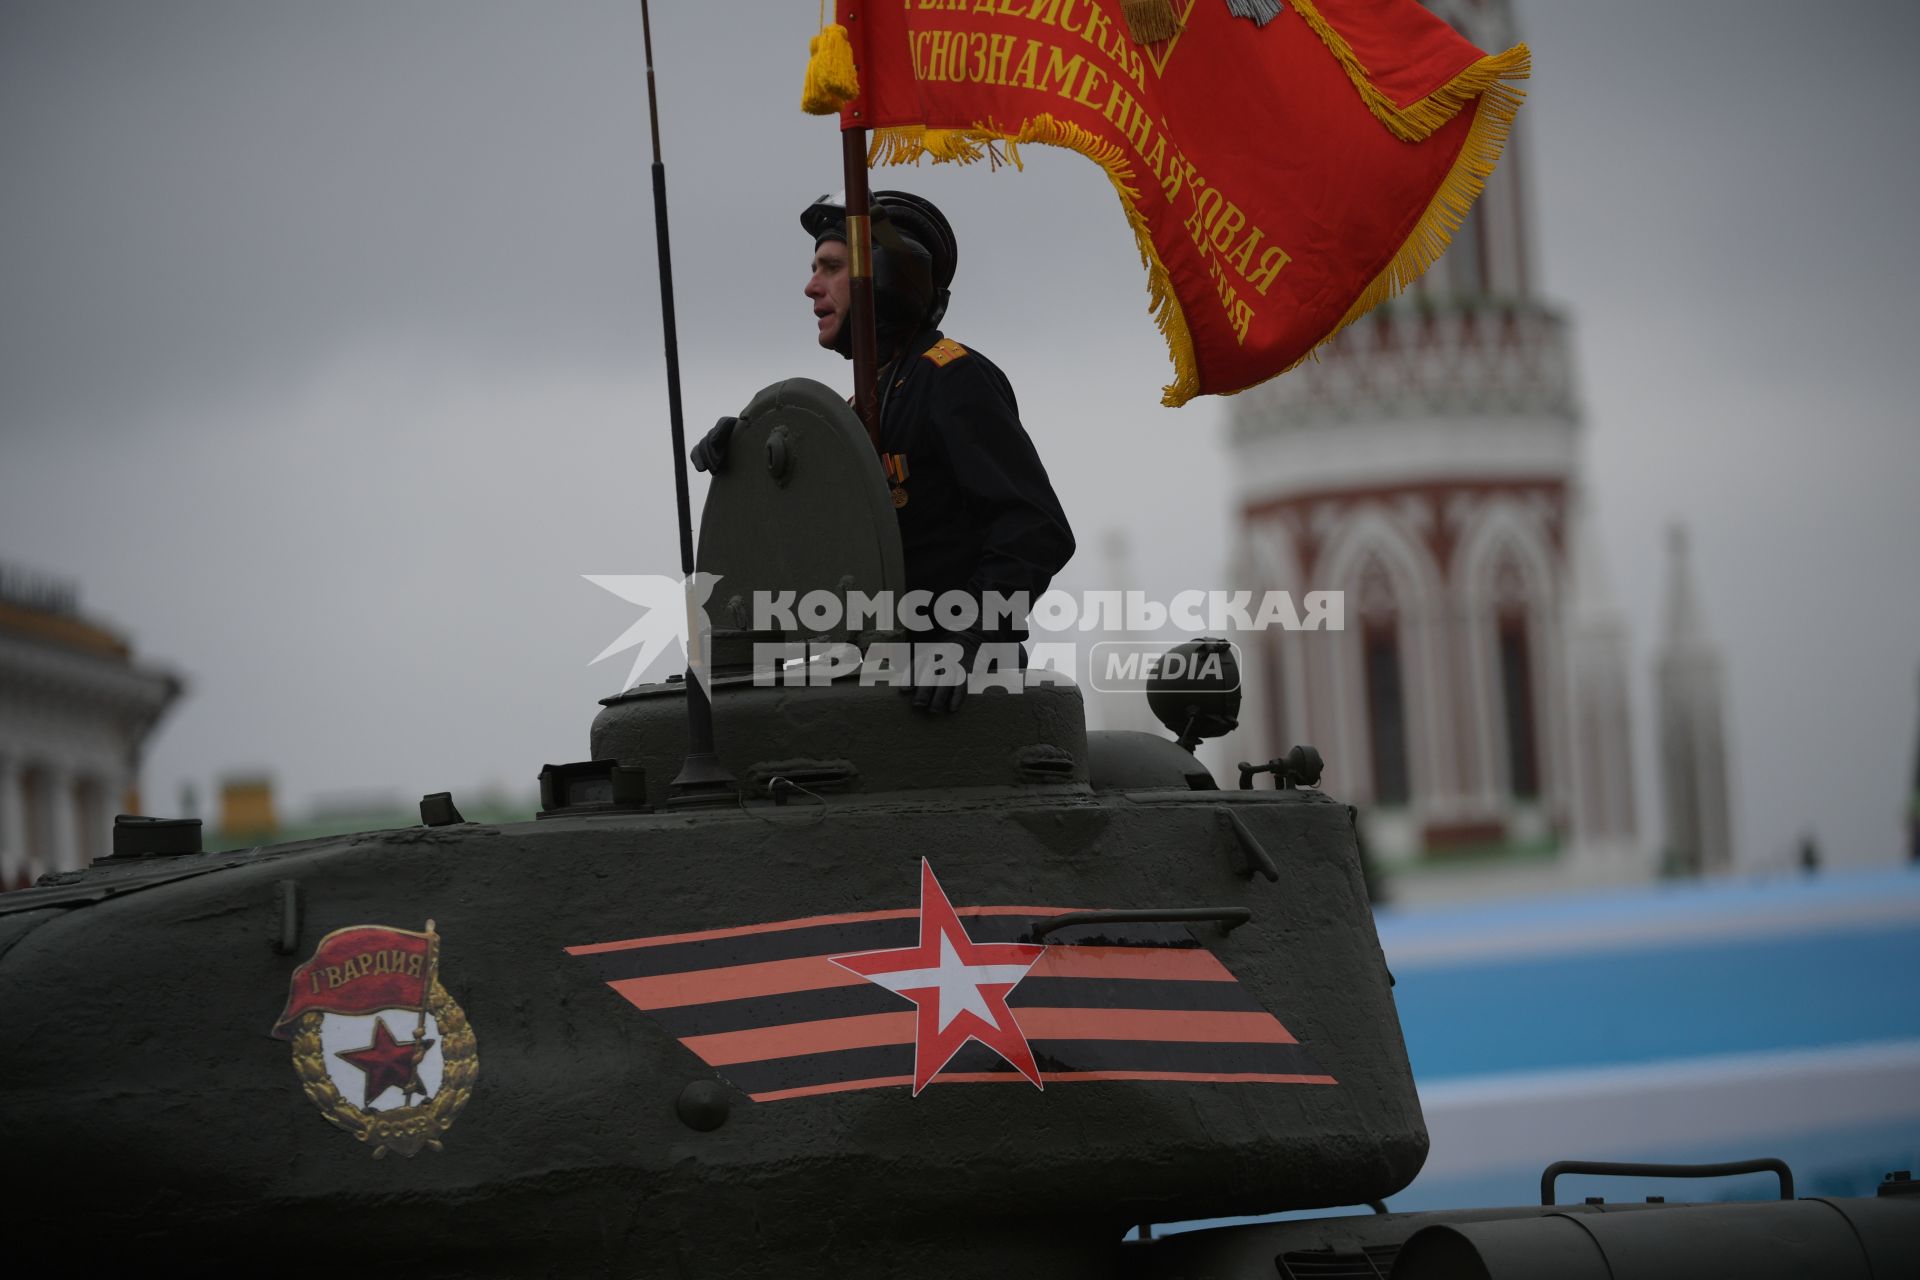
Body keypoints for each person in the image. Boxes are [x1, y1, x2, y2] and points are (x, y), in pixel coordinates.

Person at [692, 191, 1075, 713]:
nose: (810, 287)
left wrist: (969, 640)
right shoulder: (858, 411)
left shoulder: (951, 377)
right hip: (873, 685)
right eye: (814, 269)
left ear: (890, 277)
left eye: (830, 267)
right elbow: (823, 552)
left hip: (958, 699)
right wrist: (749, 455)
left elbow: (1034, 529)